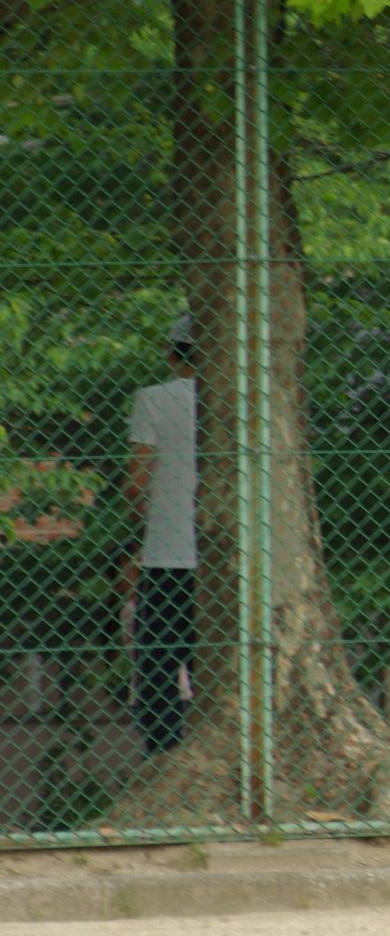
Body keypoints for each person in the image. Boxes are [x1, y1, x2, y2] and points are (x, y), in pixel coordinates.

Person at [124, 316, 198, 755]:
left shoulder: (153, 399)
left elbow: (137, 480)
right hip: (228, 557)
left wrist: (142, 511)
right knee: (218, 656)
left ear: (172, 353)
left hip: (167, 553)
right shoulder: (243, 402)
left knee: (157, 663)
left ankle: (164, 751)